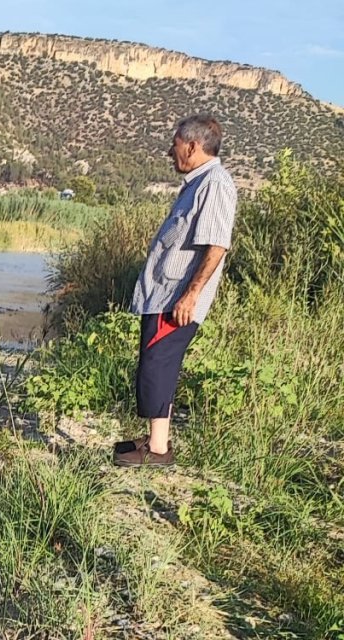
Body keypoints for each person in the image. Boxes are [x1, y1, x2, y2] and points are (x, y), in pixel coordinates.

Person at [114, 114, 237, 468]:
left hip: (177, 298)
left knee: (157, 363)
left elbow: (217, 245)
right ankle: (157, 441)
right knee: (156, 362)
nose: (171, 151)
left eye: (176, 144)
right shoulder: (197, 184)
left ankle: (157, 451)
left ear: (193, 146)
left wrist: (191, 295)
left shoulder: (215, 183)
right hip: (164, 294)